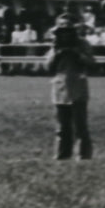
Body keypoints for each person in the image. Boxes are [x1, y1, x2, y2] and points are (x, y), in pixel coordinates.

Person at [44, 13, 94, 160]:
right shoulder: (55, 45)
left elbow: (91, 62)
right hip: (59, 88)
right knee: (62, 126)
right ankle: (62, 154)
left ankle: (83, 155)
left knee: (80, 125)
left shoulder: (83, 44)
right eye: (62, 28)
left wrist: (77, 53)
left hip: (78, 86)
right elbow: (47, 66)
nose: (65, 32)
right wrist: (57, 53)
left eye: (68, 28)